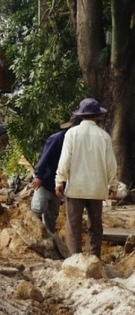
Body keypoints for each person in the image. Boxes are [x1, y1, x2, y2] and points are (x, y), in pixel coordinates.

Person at [55, 98, 118, 258]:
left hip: (76, 187)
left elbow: (65, 160)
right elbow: (111, 164)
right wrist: (113, 185)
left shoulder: (72, 134)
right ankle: (93, 258)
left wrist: (60, 180)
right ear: (97, 116)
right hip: (97, 189)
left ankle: (73, 259)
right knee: (95, 227)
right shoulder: (104, 136)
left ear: (81, 115)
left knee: (73, 226)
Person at [31, 116, 79, 233]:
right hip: (47, 180)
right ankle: (32, 234)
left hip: (61, 184)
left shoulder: (77, 142)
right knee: (37, 209)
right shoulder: (57, 139)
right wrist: (39, 176)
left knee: (52, 214)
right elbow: (45, 157)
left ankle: (49, 237)